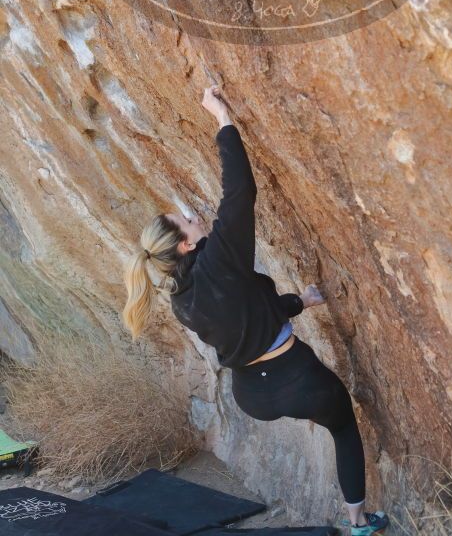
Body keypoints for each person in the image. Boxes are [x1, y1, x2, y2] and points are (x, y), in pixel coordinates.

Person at [122, 85, 390, 536]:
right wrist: (222, 118)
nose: (193, 215)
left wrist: (299, 302)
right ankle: (359, 522)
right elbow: (240, 192)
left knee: (322, 411)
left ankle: (358, 522)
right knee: (343, 428)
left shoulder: (180, 301)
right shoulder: (220, 257)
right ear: (186, 244)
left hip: (252, 397)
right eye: (187, 219)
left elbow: (249, 318)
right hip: (300, 379)